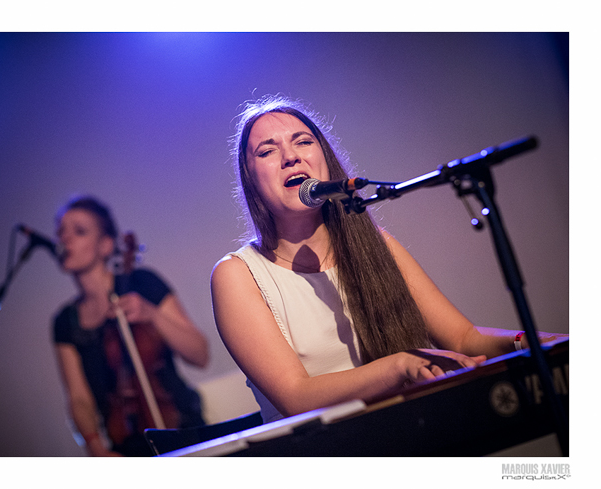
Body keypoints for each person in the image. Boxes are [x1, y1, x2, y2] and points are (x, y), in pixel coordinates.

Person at [210, 95, 567, 424]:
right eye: (268, 151)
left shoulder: (377, 245)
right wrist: (399, 366)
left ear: (325, 161)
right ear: (251, 178)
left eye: (303, 142)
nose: (291, 156)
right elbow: (296, 397)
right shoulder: (238, 275)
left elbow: (463, 338)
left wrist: (533, 342)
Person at [52, 196, 209, 456]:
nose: (64, 239)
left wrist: (153, 315)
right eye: (61, 231)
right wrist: (96, 448)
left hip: (182, 429)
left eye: (78, 231)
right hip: (124, 444)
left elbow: (200, 354)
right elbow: (78, 397)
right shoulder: (65, 321)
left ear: (106, 245)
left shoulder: (142, 283)